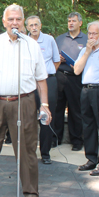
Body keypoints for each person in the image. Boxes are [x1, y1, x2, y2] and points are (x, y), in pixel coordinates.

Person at [0, 4, 50, 197]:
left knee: (26, 150)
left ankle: (31, 192)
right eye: (11, 19)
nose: (14, 23)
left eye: (18, 19)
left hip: (24, 102)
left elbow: (41, 79)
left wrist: (44, 105)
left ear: (23, 22)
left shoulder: (31, 45)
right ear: (4, 21)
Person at [73, 21, 99, 176]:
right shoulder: (85, 51)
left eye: (94, 34)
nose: (90, 36)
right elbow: (77, 71)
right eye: (89, 33)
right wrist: (87, 52)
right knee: (88, 125)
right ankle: (91, 159)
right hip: (86, 90)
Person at [26, 15, 60, 164]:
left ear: (40, 26)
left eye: (36, 25)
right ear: (27, 27)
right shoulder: (23, 41)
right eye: (31, 25)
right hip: (28, 83)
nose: (34, 27)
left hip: (48, 81)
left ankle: (45, 153)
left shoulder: (49, 39)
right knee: (28, 118)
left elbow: (56, 61)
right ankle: (28, 152)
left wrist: (47, 74)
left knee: (46, 116)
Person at [53, 12, 87, 151]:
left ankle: (77, 141)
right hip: (60, 75)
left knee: (75, 110)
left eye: (73, 21)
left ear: (80, 23)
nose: (71, 23)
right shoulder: (60, 39)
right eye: (69, 21)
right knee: (57, 109)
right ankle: (56, 138)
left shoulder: (85, 39)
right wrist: (58, 59)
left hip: (76, 78)